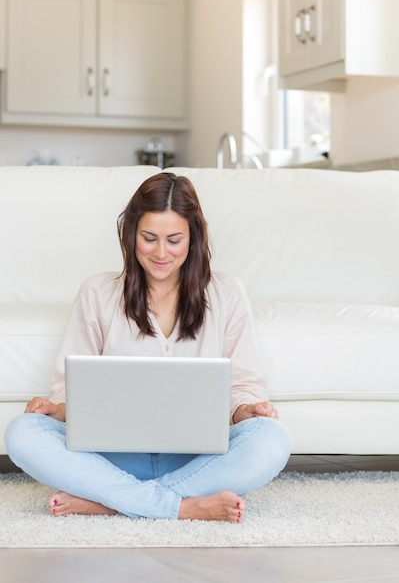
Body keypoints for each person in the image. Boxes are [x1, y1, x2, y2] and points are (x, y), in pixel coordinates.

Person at [5, 172, 292, 523]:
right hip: (114, 456)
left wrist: (244, 410)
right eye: (149, 238)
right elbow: (71, 387)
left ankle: (112, 501)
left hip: (195, 458)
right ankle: (181, 506)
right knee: (22, 432)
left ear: (193, 238)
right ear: (131, 236)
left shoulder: (227, 293)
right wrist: (57, 408)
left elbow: (244, 384)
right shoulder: (97, 292)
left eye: (174, 240)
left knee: (272, 438)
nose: (160, 253)